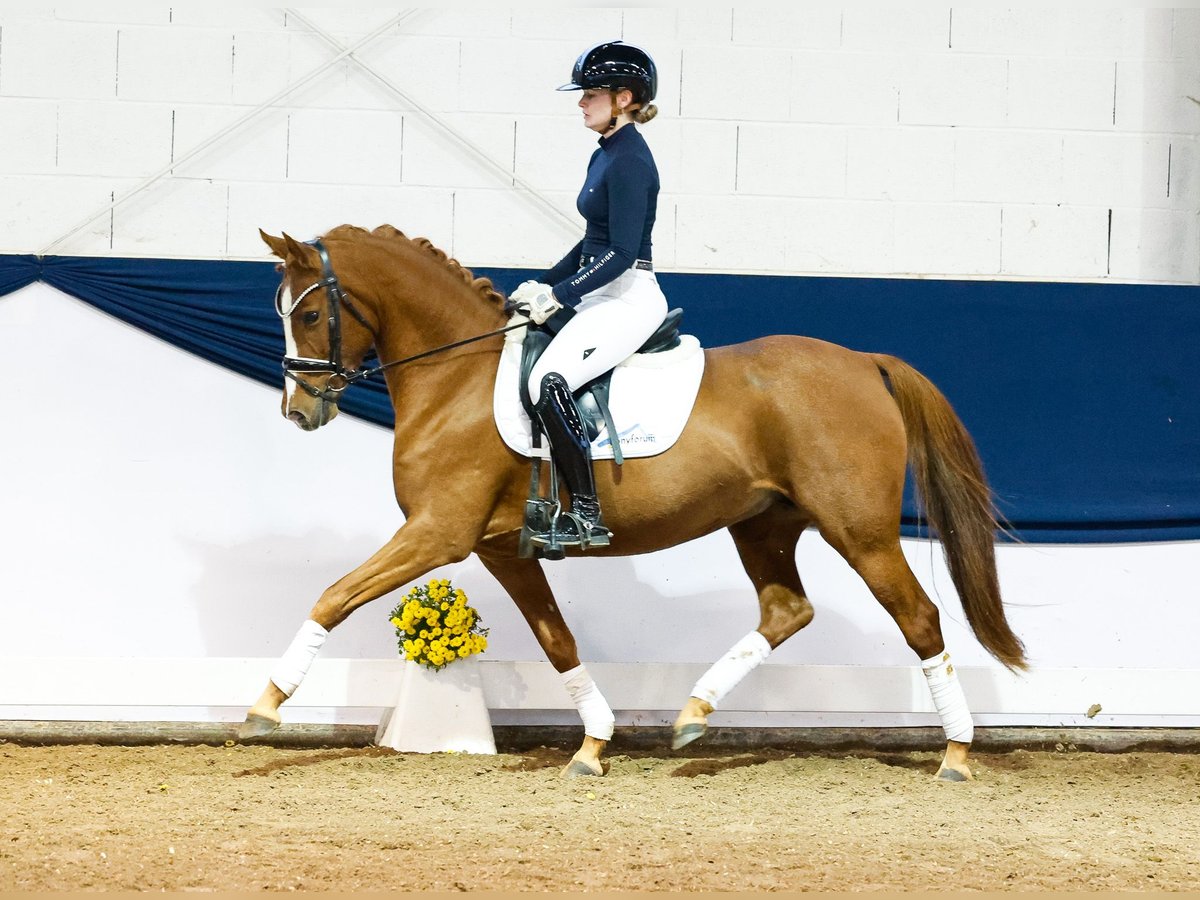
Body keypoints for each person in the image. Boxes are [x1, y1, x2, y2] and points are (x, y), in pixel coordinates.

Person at [510, 39, 668, 553]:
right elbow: (591, 241)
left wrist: (562, 294)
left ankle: (585, 514)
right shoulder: (605, 153)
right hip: (601, 291)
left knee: (550, 380)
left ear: (624, 98)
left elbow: (621, 252)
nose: (581, 103)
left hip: (628, 296)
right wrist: (543, 284)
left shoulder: (629, 161)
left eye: (590, 94)